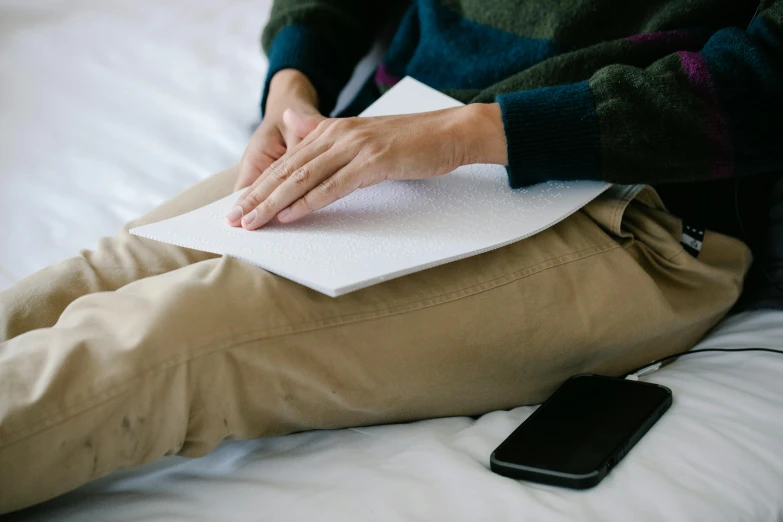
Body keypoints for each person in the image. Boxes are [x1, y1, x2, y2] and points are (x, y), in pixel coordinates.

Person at [1, 0, 781, 513]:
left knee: (167, 343)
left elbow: (766, 78)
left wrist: (462, 137)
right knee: (85, 283)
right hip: (392, 132)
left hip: (633, 199)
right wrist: (292, 84)